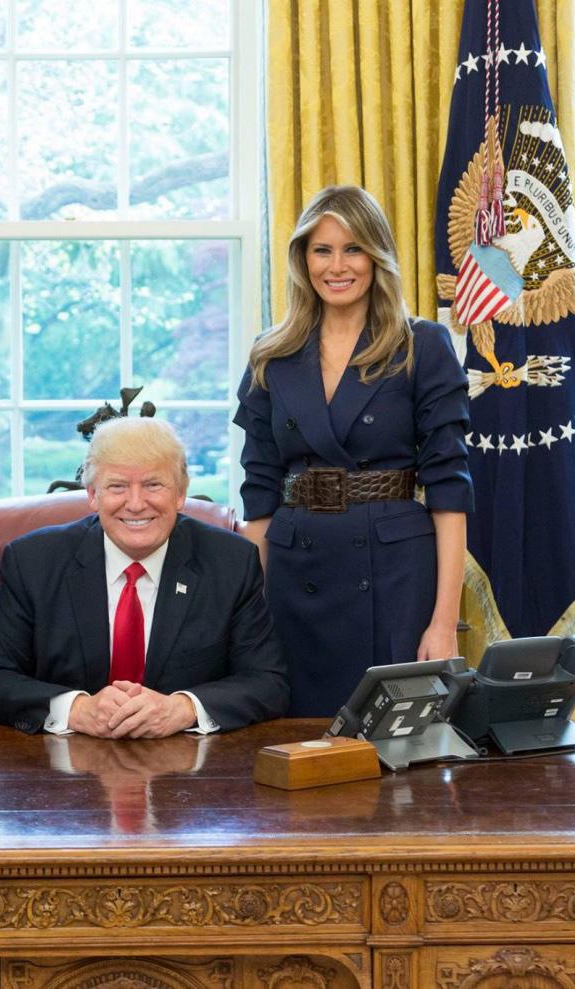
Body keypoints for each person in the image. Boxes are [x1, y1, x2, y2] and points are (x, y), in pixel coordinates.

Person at [234, 185, 473, 718]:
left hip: (395, 575)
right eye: (322, 250)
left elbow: (449, 495)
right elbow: (258, 497)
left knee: (397, 755)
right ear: (303, 259)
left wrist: (443, 623)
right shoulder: (270, 356)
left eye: (352, 249)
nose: (336, 266)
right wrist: (242, 619)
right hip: (296, 576)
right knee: (294, 750)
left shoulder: (423, 345)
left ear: (376, 256)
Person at [0, 416, 288, 737]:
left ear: (180, 493)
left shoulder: (230, 562)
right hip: (62, 772)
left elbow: (267, 682)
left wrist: (182, 709)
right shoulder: (34, 561)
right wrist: (76, 710)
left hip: (187, 773)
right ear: (92, 494)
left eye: (153, 485)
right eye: (117, 486)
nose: (135, 504)